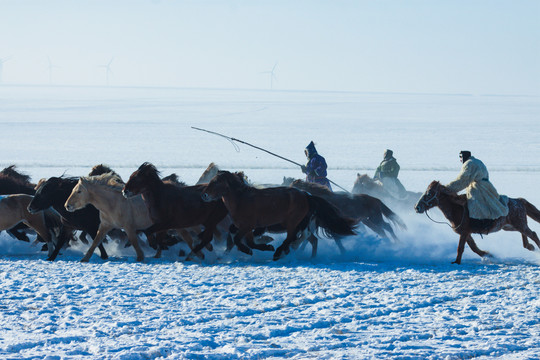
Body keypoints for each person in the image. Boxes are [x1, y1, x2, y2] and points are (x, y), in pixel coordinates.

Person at [446, 151, 509, 233]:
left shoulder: (469, 164)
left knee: (474, 203)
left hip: (478, 188)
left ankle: (480, 223)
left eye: (460, 157)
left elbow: (463, 180)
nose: (460, 160)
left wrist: (447, 189)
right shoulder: (478, 161)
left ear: (464, 157)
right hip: (487, 186)